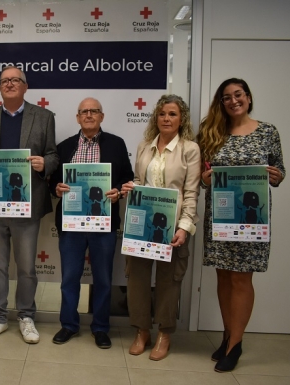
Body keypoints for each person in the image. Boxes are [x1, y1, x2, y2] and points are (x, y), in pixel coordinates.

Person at [197, 78, 285, 372]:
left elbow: (279, 171)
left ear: (248, 97)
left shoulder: (268, 131)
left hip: (251, 220)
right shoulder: (211, 132)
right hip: (220, 217)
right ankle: (227, 336)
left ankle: (236, 343)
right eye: (226, 97)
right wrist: (205, 180)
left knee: (241, 279)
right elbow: (202, 175)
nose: (233, 100)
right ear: (220, 102)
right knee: (223, 277)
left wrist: (275, 176)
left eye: (238, 95)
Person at [0, 66, 58, 344]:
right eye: (4, 81)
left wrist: (45, 163)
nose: (10, 84)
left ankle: (26, 316)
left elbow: (52, 154)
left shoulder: (44, 117)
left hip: (27, 205)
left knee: (26, 268)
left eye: (15, 80)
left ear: (25, 86)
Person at [120, 95, 200, 360]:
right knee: (138, 279)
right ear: (156, 117)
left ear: (181, 119)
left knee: (168, 281)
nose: (166, 118)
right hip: (142, 223)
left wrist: (184, 227)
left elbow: (191, 193)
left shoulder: (190, 149)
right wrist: (131, 187)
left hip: (172, 226)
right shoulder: (145, 146)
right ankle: (142, 330)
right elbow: (139, 180)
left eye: (173, 114)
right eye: (162, 114)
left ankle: (164, 333)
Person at [50, 97, 133, 349]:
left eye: (93, 111)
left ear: (101, 116)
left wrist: (118, 191)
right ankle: (68, 325)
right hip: (72, 225)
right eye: (83, 112)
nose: (88, 115)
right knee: (70, 278)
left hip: (103, 224)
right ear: (77, 117)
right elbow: (52, 181)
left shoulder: (117, 144)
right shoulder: (64, 147)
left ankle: (100, 327)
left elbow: (128, 178)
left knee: (104, 279)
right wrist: (57, 187)